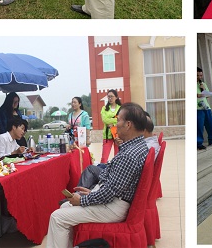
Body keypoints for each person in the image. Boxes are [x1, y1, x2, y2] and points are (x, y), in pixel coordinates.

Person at [46, 103, 150, 248]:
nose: (115, 124)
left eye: (118, 120)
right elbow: (114, 187)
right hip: (115, 201)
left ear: (128, 124)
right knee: (64, 210)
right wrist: (92, 193)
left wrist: (83, 201)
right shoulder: (138, 147)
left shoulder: (129, 155)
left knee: (57, 217)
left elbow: (109, 193)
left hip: (114, 207)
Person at [197, 67, 212, 150]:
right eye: (197, 75)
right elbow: (197, 95)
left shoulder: (202, 84)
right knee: (199, 126)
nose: (199, 77)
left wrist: (203, 90)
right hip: (197, 108)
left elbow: (207, 94)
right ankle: (198, 143)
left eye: (200, 75)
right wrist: (201, 94)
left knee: (210, 125)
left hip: (206, 107)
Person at [100, 89, 121, 163]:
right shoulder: (104, 108)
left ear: (116, 97)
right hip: (107, 135)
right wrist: (115, 119)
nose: (110, 98)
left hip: (118, 136)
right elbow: (104, 120)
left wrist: (114, 124)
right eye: (108, 97)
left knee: (118, 157)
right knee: (104, 158)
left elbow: (122, 120)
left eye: (112, 96)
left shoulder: (120, 108)